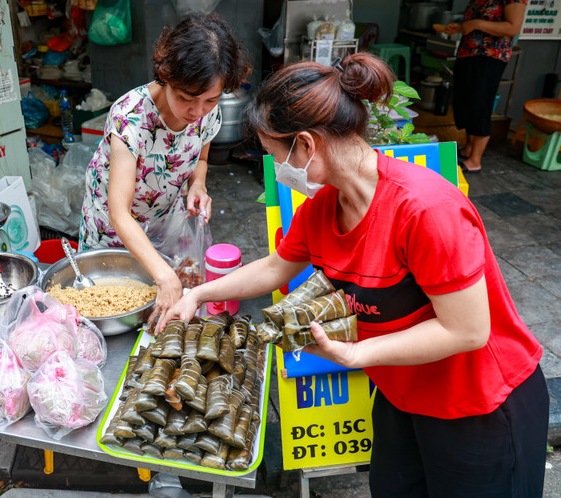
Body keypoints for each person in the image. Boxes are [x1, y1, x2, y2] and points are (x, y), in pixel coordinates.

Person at [157, 53, 548, 497]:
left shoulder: (425, 210)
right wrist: (197, 293)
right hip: (403, 394)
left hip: (479, 403)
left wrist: (358, 354)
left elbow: (469, 330)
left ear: (306, 145)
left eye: (274, 155)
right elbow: (274, 267)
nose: (277, 172)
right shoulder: (324, 206)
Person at [79, 12, 251, 320]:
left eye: (210, 101)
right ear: (166, 77)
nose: (198, 111)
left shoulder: (206, 111)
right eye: (187, 98)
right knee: (122, 312)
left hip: (166, 223)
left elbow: (200, 156)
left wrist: (198, 185)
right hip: (116, 233)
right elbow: (119, 212)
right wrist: (163, 274)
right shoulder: (130, 118)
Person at [445, 0, 526, 173]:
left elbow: (512, 27)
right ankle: (469, 149)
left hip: (490, 57)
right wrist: (461, 27)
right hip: (468, 52)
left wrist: (477, 24)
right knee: (466, 102)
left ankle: (475, 160)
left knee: (480, 104)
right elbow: (472, 21)